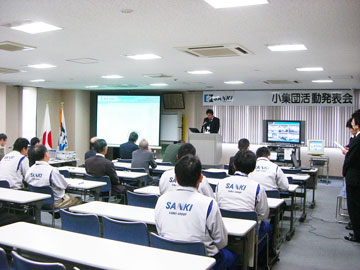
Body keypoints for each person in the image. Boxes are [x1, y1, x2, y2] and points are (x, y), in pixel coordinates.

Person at [155, 155, 238, 270]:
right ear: (200, 178)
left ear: (175, 178)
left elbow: (160, 231)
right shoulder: (209, 204)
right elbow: (222, 241)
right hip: (203, 261)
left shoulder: (161, 200)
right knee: (233, 257)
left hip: (170, 258)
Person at [216, 150, 271, 242]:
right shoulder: (257, 187)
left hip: (224, 228)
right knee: (267, 227)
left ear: (233, 165)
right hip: (250, 232)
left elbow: (217, 206)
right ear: (253, 168)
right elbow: (264, 214)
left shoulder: (220, 184)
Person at [342, 111, 360, 242]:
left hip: (354, 178)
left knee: (354, 207)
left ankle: (357, 234)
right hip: (355, 177)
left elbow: (350, 159)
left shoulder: (358, 140)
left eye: (353, 121)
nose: (352, 123)